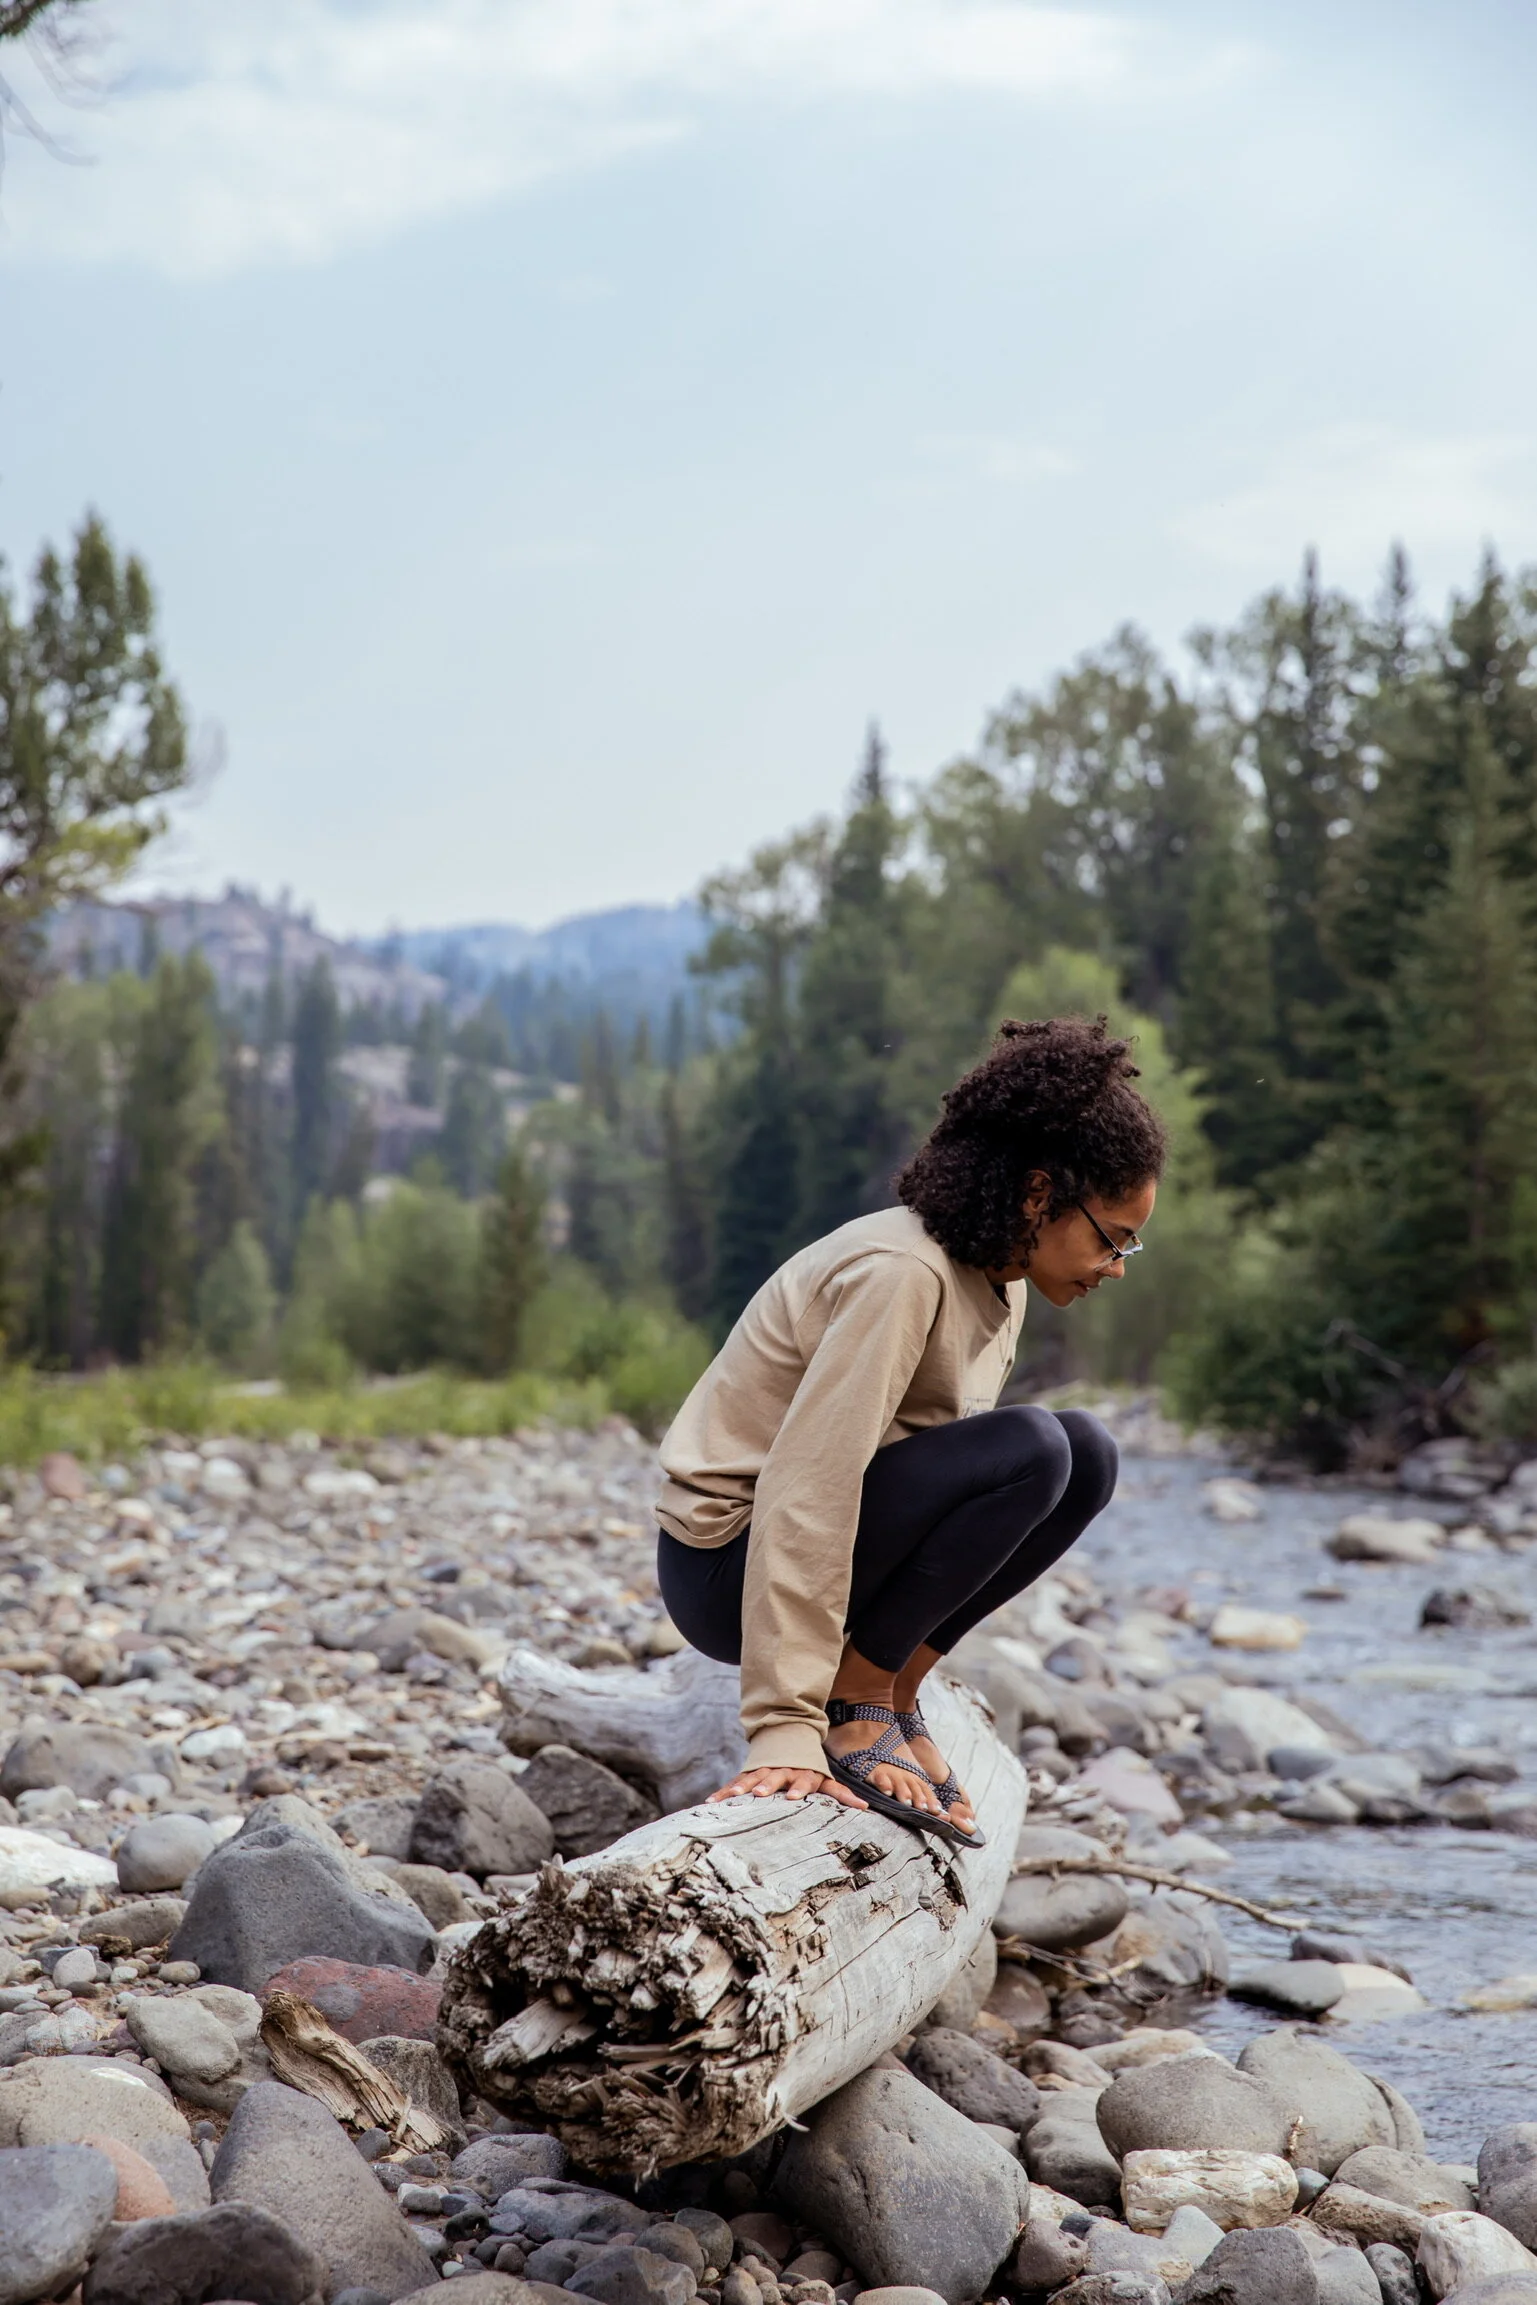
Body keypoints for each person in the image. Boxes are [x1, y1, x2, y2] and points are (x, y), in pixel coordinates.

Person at [654, 1014, 1165, 1847]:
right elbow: (808, 1483)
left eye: (1130, 1248)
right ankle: (848, 1708)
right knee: (1031, 1446)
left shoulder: (1003, 1277)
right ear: (1038, 1195)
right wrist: (784, 1722)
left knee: (1086, 1453)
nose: (1114, 1266)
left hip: (819, 1544)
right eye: (1112, 1239)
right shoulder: (900, 1273)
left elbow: (934, 1486)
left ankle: (887, 1691)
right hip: (724, 1568)